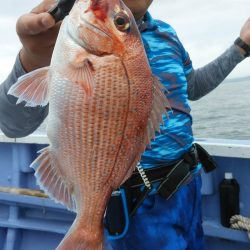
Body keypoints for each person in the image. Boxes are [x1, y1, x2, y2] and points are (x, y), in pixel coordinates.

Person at [0, 0, 249, 249]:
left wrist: (240, 47)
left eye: (121, 21)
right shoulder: (61, 37)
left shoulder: (167, 34)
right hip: (135, 201)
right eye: (120, 21)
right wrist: (31, 59)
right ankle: (88, 226)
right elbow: (14, 125)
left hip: (187, 185)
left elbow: (192, 86)